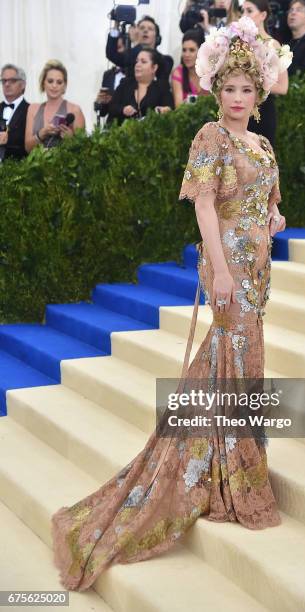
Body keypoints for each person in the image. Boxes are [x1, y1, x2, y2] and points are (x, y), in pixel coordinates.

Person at [50, 15, 291, 592]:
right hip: (228, 266)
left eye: (246, 90)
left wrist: (271, 223)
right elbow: (204, 206)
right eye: (228, 89)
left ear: (257, 96)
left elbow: (273, 203)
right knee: (232, 355)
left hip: (256, 268)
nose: (236, 98)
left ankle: (225, 460)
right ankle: (232, 473)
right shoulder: (209, 137)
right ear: (216, 92)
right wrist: (223, 269)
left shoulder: (260, 142)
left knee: (241, 357)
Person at [242, 0, 290, 148]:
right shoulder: (237, 42)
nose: (244, 16)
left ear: (263, 15)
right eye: (242, 11)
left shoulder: (273, 45)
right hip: (236, 109)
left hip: (261, 114)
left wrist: (253, 81)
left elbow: (283, 87)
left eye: (249, 11)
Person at [25, 60, 85, 153]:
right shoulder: (33, 109)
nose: (54, 85)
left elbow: (84, 149)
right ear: (43, 83)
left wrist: (71, 139)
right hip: (36, 165)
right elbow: (28, 148)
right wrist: (42, 133)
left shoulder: (74, 110)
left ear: (64, 86)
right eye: (50, 81)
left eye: (59, 82)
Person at [108, 47, 174, 125]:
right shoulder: (125, 83)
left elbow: (169, 109)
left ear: (154, 67)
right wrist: (123, 109)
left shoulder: (162, 88)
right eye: (137, 61)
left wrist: (164, 110)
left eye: (143, 62)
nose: (138, 65)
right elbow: (112, 107)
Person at [106, 16, 174, 81]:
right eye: (141, 28)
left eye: (150, 29)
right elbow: (111, 53)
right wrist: (116, 25)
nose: (145, 31)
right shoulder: (129, 56)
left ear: (157, 38)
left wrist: (136, 43)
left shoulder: (166, 60)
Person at [172, 29, 209, 107]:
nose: (186, 55)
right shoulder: (178, 72)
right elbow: (178, 107)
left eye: (191, 50)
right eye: (184, 50)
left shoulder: (211, 71)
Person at [0, 63, 29, 161]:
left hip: (18, 170)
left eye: (12, 80)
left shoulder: (30, 110)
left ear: (23, 84)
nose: (7, 84)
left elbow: (30, 143)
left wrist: (9, 138)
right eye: (4, 81)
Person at [95, 36, 126, 122]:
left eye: (119, 47)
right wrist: (100, 102)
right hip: (111, 126)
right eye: (114, 48)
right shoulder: (108, 74)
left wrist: (113, 100)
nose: (115, 52)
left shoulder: (135, 73)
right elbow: (103, 112)